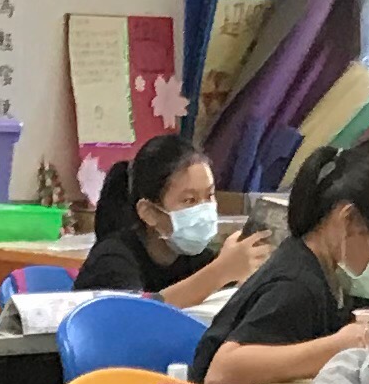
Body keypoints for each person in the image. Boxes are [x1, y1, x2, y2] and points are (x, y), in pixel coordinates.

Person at [189, 129, 369, 384]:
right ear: (349, 220)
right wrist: (340, 345)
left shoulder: (331, 278)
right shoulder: (296, 286)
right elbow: (222, 374)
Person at [74, 130, 252, 303]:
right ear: (149, 213)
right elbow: (135, 313)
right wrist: (220, 272)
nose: (204, 209)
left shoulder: (198, 259)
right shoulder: (113, 260)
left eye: (209, 195)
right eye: (189, 200)